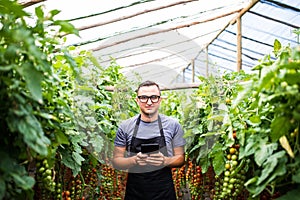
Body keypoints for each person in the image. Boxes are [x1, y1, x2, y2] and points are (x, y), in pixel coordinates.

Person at [112, 80, 186, 200]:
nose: (149, 102)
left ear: (160, 100)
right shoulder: (125, 127)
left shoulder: (173, 125)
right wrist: (134, 160)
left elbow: (181, 159)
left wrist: (165, 161)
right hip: (135, 193)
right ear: (137, 100)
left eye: (154, 97)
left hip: (164, 193)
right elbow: (116, 160)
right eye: (144, 98)